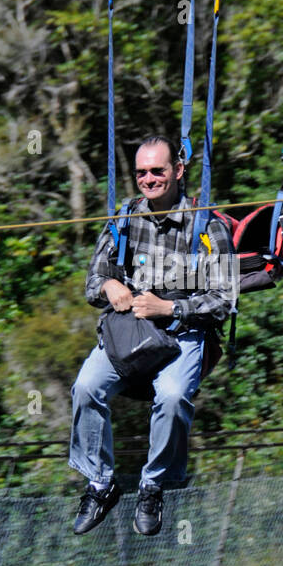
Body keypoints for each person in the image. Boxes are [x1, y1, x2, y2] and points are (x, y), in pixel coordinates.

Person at [69, 134, 237, 536]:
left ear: (178, 171)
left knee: (174, 395)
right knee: (86, 387)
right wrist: (110, 287)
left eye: (158, 171)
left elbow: (225, 297)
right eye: (142, 172)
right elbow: (94, 277)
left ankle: (152, 484)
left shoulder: (205, 224)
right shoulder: (125, 218)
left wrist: (171, 308)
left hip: (184, 332)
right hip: (131, 332)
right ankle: (100, 482)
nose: (149, 179)